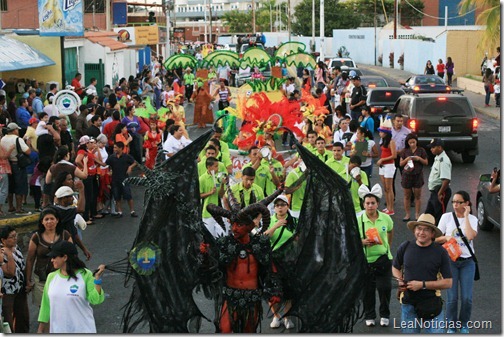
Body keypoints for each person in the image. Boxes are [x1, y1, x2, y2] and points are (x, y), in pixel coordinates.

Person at [203, 195, 281, 333]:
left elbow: (270, 267)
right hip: (230, 295)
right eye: (232, 224)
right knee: (224, 329)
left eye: (239, 225)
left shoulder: (259, 244)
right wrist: (205, 253)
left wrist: (275, 290)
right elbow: (213, 267)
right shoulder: (225, 243)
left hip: (252, 297)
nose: (234, 228)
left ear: (250, 225)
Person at [392, 213, 452, 333]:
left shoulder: (441, 252)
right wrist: (399, 280)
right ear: (414, 230)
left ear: (433, 233)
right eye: (419, 228)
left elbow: (448, 283)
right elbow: (395, 267)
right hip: (408, 303)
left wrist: (422, 285)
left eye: (426, 230)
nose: (421, 232)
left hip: (432, 303)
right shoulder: (405, 246)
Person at [37, 241, 106, 333]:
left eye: (54, 257)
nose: (51, 260)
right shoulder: (51, 277)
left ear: (65, 257)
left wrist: (97, 279)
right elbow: (45, 305)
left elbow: (96, 299)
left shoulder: (86, 274)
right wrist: (40, 329)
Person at [435, 191, 478, 333]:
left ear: (466, 204)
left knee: (467, 298)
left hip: (467, 262)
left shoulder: (472, 219)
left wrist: (465, 216)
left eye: (459, 202)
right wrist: (446, 238)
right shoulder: (446, 217)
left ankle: (464, 323)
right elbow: (435, 239)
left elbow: (471, 236)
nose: (455, 205)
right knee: (452, 297)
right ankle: (451, 325)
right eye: (453, 202)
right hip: (450, 261)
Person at [357, 184, 393, 327]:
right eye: (367, 203)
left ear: (378, 204)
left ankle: (385, 314)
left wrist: (387, 246)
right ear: (363, 204)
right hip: (366, 260)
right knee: (368, 290)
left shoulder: (385, 218)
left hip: (383, 259)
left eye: (373, 203)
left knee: (385, 288)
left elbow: (390, 231)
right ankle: (369, 315)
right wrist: (362, 242)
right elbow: (351, 238)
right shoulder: (359, 220)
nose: (370, 206)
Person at [25, 208, 73, 307]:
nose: (49, 221)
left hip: (62, 278)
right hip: (41, 280)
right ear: (42, 222)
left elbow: (73, 256)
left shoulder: (65, 235)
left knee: (61, 306)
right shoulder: (36, 237)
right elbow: (30, 259)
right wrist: (28, 279)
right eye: (46, 219)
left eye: (52, 218)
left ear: (57, 220)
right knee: (44, 309)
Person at [263, 194, 296, 329]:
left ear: (287, 206)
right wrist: (276, 225)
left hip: (289, 260)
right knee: (273, 293)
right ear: (274, 208)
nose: (280, 208)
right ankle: (276, 317)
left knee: (289, 291)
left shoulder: (294, 221)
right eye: (277, 205)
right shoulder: (269, 220)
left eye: (283, 205)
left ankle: (287, 317)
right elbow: (264, 237)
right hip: (273, 261)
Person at [0, 226, 30, 332]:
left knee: (23, 315)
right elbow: (10, 272)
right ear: (3, 240)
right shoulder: (1, 252)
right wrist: (9, 254)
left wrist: (27, 282)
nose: (15, 238)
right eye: (12, 237)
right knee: (8, 318)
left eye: (15, 235)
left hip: (20, 288)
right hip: (7, 291)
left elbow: (22, 266)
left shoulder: (16, 247)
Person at [1, 123, 31, 215]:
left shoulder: (3, 139)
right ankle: (19, 208)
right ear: (14, 130)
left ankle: (10, 206)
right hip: (17, 164)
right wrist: (28, 144)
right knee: (20, 186)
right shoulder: (18, 139)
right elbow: (28, 151)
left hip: (7, 165)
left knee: (10, 186)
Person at [400, 133, 428, 221]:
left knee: (418, 196)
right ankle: (407, 214)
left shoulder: (421, 150)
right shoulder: (404, 151)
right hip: (407, 175)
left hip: (417, 175)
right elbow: (400, 164)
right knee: (407, 196)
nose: (412, 144)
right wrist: (406, 159)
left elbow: (426, 162)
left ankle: (417, 214)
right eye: (410, 142)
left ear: (416, 142)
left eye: (414, 142)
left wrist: (419, 159)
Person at [106, 142, 138, 218]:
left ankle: (132, 211)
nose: (114, 149)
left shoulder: (126, 157)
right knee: (117, 196)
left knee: (128, 196)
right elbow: (105, 164)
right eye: (114, 147)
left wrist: (130, 167)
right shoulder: (112, 157)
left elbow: (135, 162)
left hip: (124, 179)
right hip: (115, 180)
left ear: (120, 148)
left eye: (115, 147)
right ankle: (120, 211)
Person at [425, 138, 452, 224]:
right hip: (435, 192)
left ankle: (439, 236)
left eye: (433, 147)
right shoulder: (438, 157)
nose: (431, 149)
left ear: (440, 147)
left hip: (441, 191)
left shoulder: (443, 160)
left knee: (439, 218)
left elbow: (446, 179)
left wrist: (440, 193)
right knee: (428, 215)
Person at [199, 157, 227, 237]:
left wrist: (222, 184)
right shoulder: (202, 179)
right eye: (215, 166)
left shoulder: (219, 177)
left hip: (219, 212)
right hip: (207, 214)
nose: (217, 168)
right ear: (209, 167)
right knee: (209, 238)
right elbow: (199, 196)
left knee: (223, 236)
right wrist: (210, 193)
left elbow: (221, 195)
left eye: (217, 166)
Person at [376, 117, 396, 216]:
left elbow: (394, 155)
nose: (380, 133)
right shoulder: (383, 141)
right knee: (385, 188)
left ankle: (391, 208)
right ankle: (388, 206)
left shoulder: (391, 142)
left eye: (381, 132)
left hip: (389, 166)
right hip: (383, 166)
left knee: (389, 187)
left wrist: (382, 160)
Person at [391, 114, 411, 201]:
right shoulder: (389, 131)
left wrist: (402, 151)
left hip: (404, 158)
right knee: (391, 178)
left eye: (401, 121)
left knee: (406, 177)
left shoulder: (407, 132)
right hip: (392, 158)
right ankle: (392, 197)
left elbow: (411, 145)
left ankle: (410, 198)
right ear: (393, 121)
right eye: (398, 121)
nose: (399, 123)